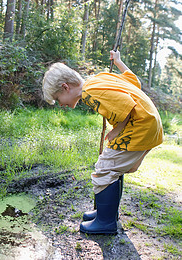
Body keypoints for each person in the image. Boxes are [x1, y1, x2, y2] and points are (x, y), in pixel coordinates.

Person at [42, 50, 163, 235]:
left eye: (58, 99)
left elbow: (127, 105)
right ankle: (107, 214)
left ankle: (106, 222)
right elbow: (133, 82)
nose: (61, 104)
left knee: (104, 169)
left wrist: (117, 129)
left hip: (140, 126)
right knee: (113, 168)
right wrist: (119, 62)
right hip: (149, 123)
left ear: (65, 87)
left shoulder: (90, 91)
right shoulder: (98, 79)